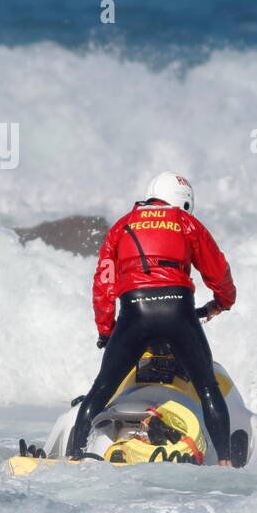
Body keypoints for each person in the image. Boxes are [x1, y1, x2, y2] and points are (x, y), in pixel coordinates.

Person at [67, 171, 237, 464]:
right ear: (184, 202)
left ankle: (72, 455)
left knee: (100, 389)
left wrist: (107, 332)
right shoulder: (185, 222)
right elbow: (217, 269)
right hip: (178, 311)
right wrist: (223, 301)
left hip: (135, 314)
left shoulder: (121, 226)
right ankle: (226, 463)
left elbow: (103, 285)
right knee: (208, 387)